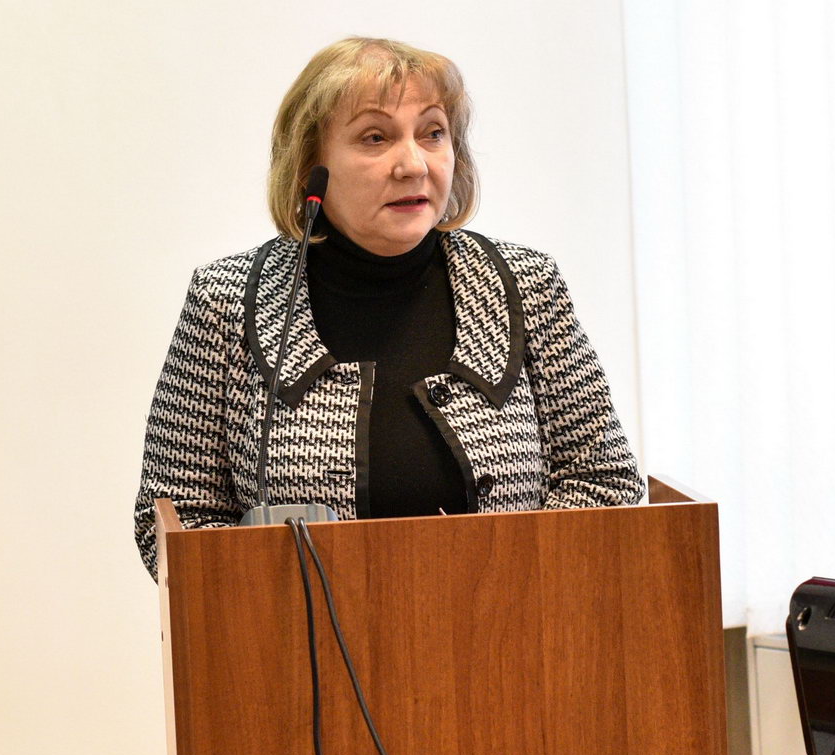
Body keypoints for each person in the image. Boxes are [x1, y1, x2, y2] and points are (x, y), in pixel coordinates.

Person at [134, 37, 644, 580]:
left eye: (433, 133)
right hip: (304, 632)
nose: (413, 165)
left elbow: (605, 480)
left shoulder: (525, 284)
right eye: (375, 138)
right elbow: (174, 519)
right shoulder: (227, 299)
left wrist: (499, 589)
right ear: (310, 167)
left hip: (511, 623)